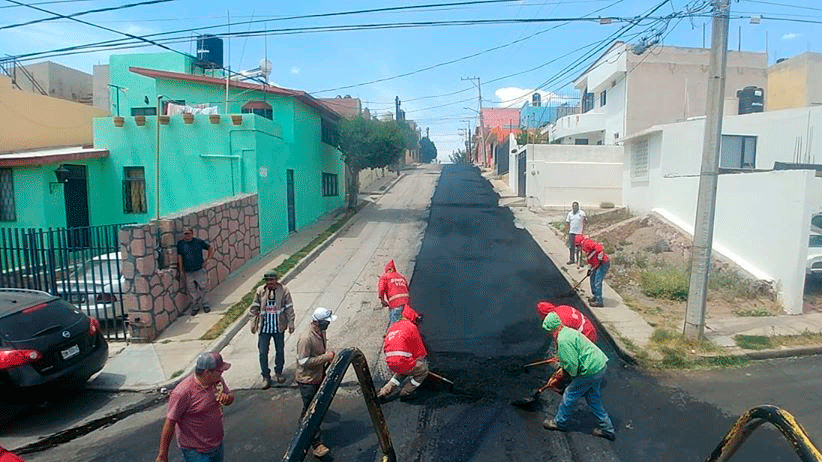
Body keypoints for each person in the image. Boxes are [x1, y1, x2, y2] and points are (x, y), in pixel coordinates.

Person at [541, 313, 615, 441]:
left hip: (590, 370)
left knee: (569, 395)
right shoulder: (568, 331)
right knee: (593, 398)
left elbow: (572, 366)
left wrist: (562, 375)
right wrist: (562, 360)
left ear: (552, 329)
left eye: (549, 331)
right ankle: (608, 430)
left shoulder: (563, 340)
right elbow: (573, 354)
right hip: (600, 365)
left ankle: (559, 423)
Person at [155, 352, 234, 462]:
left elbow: (230, 396)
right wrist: (162, 455)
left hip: (217, 445)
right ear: (207, 373)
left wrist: (228, 399)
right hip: (196, 452)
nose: (222, 373)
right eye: (219, 371)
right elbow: (170, 422)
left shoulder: (217, 381)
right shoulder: (183, 392)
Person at [295, 307, 337, 459]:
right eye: (326, 322)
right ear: (319, 322)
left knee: (311, 407)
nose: (328, 324)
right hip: (307, 380)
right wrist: (326, 357)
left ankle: (303, 422)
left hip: (318, 375)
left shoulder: (320, 331)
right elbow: (303, 361)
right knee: (312, 411)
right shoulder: (306, 338)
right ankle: (316, 444)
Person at [248, 271, 295, 389]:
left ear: (277, 280)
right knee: (263, 352)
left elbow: (289, 308)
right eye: (268, 280)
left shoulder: (284, 290)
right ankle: (265, 376)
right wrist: (253, 323)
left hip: (278, 327)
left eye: (272, 280)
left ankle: (279, 372)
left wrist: (291, 323)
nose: (270, 283)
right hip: (264, 328)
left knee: (280, 350)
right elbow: (254, 308)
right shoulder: (260, 291)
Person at [377, 305, 428, 400]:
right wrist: (421, 362)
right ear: (412, 317)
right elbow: (420, 352)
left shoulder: (393, 327)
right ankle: (405, 392)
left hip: (391, 363)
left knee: (401, 372)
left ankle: (384, 391)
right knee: (423, 371)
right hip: (403, 362)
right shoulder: (411, 327)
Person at [177, 227, 214, 315]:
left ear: (192, 233)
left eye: (188, 233)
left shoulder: (198, 242)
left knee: (204, 288)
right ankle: (195, 307)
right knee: (192, 291)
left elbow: (210, 248)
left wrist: (208, 260)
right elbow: (180, 257)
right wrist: (181, 270)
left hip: (199, 270)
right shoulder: (181, 244)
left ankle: (206, 305)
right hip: (188, 271)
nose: (187, 236)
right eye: (185, 234)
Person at [575, 235, 610, 307]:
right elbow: (590, 258)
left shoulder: (586, 243)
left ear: (579, 243)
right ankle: (595, 296)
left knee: (597, 281)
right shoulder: (584, 248)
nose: (578, 247)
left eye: (577, 245)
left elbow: (599, 248)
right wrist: (589, 269)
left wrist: (600, 259)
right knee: (592, 279)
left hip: (603, 263)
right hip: (596, 264)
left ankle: (599, 301)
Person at [377, 260, 411, 326]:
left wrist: (382, 300)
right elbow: (407, 288)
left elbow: (381, 289)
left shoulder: (385, 277)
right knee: (405, 323)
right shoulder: (401, 276)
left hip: (395, 304)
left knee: (394, 326)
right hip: (406, 303)